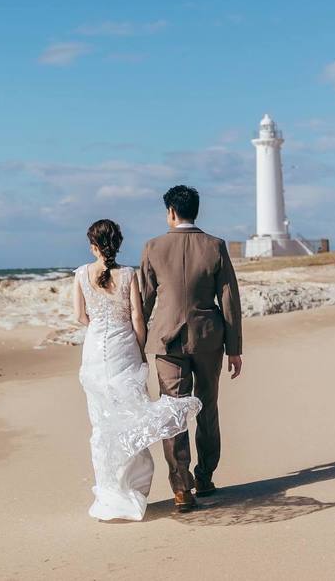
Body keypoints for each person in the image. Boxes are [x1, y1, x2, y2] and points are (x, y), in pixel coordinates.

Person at [73, 218, 201, 521]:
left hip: (94, 351)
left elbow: (80, 316)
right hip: (124, 349)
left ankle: (109, 493)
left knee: (102, 421)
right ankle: (132, 490)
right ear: (117, 245)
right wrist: (139, 349)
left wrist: (100, 330)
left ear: (93, 246)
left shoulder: (80, 275)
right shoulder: (128, 274)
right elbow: (137, 318)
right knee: (130, 415)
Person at [140, 184, 243, 513]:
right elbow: (229, 300)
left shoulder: (153, 247)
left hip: (166, 340)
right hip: (209, 338)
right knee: (207, 408)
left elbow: (142, 301)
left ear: (171, 212)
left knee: (173, 412)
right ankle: (206, 476)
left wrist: (134, 343)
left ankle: (181, 488)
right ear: (194, 210)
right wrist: (234, 348)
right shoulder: (214, 246)